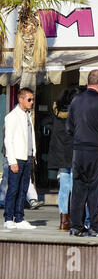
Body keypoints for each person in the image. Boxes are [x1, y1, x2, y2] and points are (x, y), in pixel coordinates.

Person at [66, 69, 98, 238]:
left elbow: (69, 128)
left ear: (87, 82)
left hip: (78, 150)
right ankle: (97, 227)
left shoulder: (75, 101)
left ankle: (76, 226)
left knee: (78, 189)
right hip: (97, 151)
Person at [3, 88, 37, 230]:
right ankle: (9, 218)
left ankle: (20, 217)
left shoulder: (27, 115)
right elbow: (8, 140)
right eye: (29, 99)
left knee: (23, 189)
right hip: (17, 157)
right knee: (13, 189)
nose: (31, 102)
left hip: (27, 157)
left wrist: (33, 154)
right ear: (20, 99)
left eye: (32, 99)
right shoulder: (12, 116)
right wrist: (12, 161)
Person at [48, 88, 79, 231]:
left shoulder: (56, 113)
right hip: (73, 154)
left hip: (60, 155)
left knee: (64, 188)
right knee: (74, 187)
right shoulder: (75, 115)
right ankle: (73, 219)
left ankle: (63, 221)